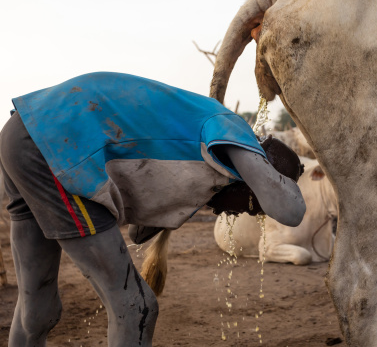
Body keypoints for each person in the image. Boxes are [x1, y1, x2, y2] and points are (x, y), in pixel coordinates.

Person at [1, 72, 306, 347]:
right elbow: (291, 211)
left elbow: (137, 233)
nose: (239, 214)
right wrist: (273, 173)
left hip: (25, 131)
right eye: (253, 206)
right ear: (253, 178)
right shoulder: (232, 132)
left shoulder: (207, 158)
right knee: (136, 307)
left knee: (38, 310)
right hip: (58, 147)